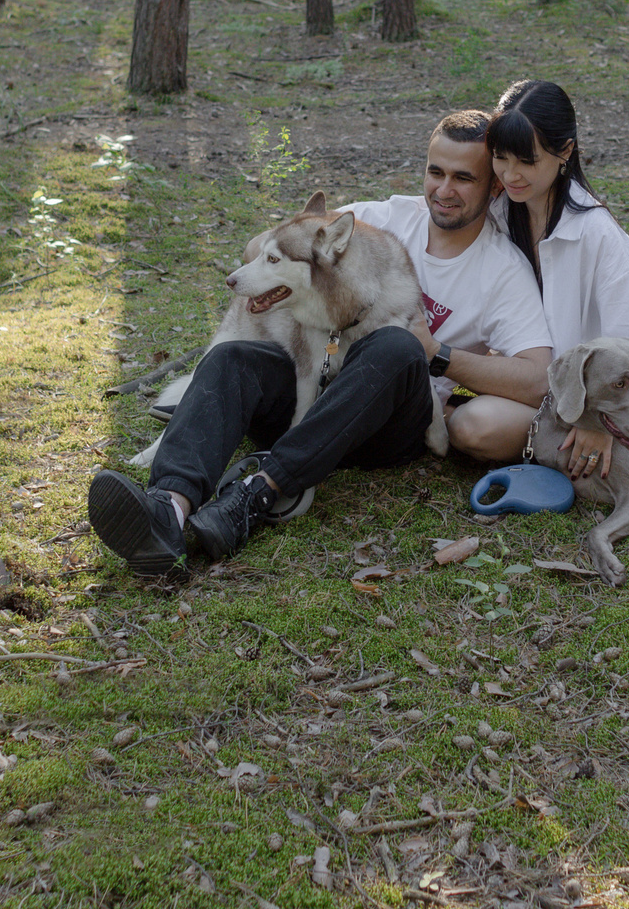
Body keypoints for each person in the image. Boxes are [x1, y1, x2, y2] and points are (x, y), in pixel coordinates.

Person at [86, 111, 553, 577]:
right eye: (435, 172)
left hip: (384, 425)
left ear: (493, 187)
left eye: (463, 178)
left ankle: (259, 492)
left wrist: (439, 355)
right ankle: (167, 511)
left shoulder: (503, 269)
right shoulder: (382, 217)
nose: (443, 189)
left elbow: (536, 380)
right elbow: (264, 248)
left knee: (395, 346)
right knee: (232, 358)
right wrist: (298, 272)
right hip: (309, 405)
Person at [447, 79, 629, 476]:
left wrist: (595, 422)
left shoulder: (597, 234)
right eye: (501, 157)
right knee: (447, 404)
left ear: (565, 151)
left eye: (526, 161)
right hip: (518, 379)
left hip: (569, 399)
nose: (510, 174)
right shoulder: (497, 212)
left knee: (471, 427)